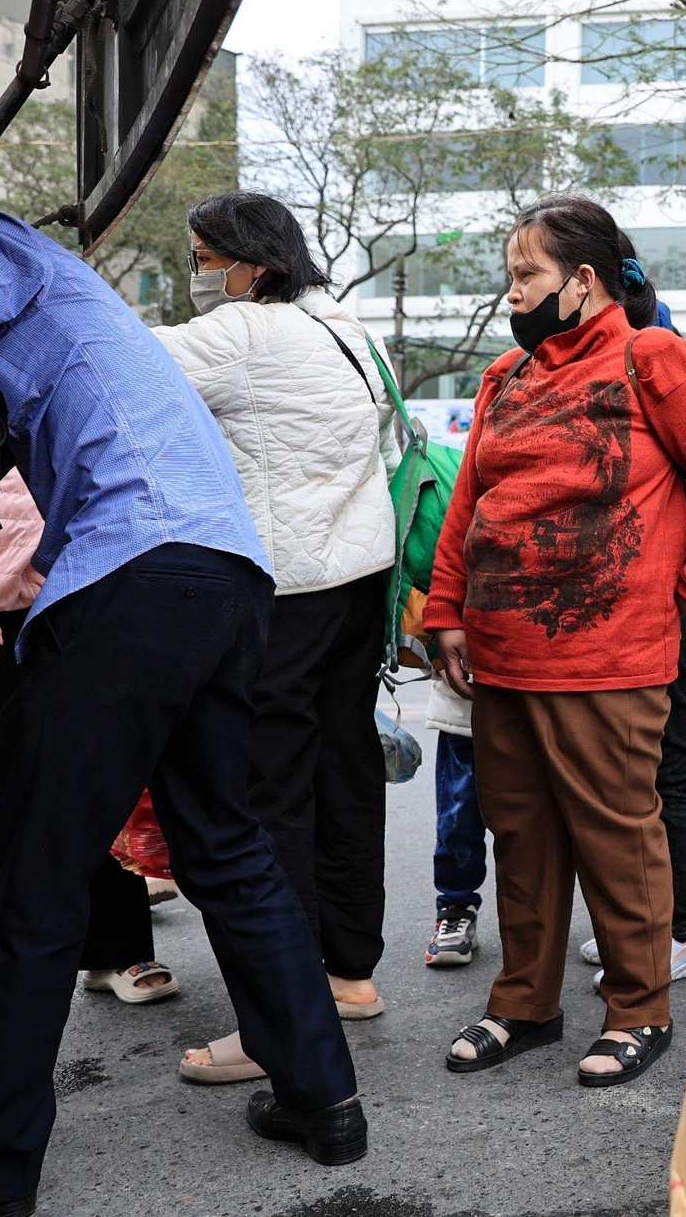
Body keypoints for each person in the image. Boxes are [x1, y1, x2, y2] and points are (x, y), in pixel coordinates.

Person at [0, 212, 364, 1210]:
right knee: (225, 845)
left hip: (134, 573)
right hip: (225, 574)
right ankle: (324, 1098)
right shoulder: (53, 304)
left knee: (36, 878)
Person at [425, 195, 686, 1087]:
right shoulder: (505, 375)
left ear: (582, 282)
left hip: (609, 651)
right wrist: (446, 612)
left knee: (618, 833)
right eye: (509, 277)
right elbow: (470, 503)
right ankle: (523, 1003)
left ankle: (638, 1009)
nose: (513, 293)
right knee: (521, 834)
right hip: (501, 651)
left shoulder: (651, 355)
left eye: (527, 276)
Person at [159, 191, 402, 1086]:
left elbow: (119, 364)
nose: (198, 275)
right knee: (345, 770)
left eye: (202, 257)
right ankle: (348, 973)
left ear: (249, 262)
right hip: (359, 576)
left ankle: (276, 1016)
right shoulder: (341, 322)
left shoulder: (243, 335)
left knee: (269, 792)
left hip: (287, 586)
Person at [0, 472, 179, 1006]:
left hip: (75, 601)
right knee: (8, 793)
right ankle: (11, 955)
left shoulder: (61, 388)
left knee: (103, 778)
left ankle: (119, 948)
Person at [424, 674, 483, 967]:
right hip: (466, 694)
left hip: (559, 681)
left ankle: (544, 919)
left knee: (548, 821)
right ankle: (456, 905)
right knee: (459, 816)